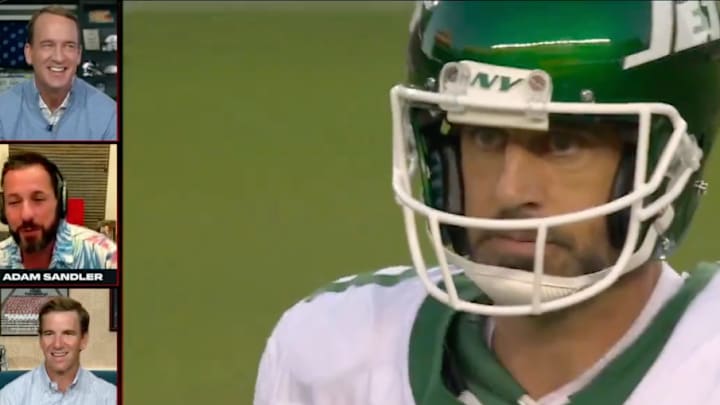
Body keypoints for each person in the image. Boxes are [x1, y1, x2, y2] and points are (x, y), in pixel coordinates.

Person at [254, 2, 720, 404]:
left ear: (670, 158)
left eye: (563, 144)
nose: (510, 191)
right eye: (485, 136)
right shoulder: (335, 358)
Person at [0, 6, 116, 141]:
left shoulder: (109, 114)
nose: (59, 58)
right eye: (48, 45)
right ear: (29, 53)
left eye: (69, 46)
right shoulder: (3, 111)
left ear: (78, 55)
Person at [0, 152, 117, 269]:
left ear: (60, 202)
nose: (26, 215)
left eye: (38, 199)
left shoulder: (105, 256)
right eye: (14, 202)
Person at [0, 297, 116, 404]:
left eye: (68, 333)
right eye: (49, 334)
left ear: (83, 340)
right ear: (40, 340)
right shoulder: (11, 397)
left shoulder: (109, 397)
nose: (57, 344)